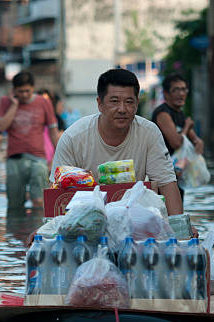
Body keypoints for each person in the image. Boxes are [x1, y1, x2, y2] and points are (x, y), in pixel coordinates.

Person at [50, 68, 184, 217]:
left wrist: (179, 225)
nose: (122, 109)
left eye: (129, 102)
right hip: (84, 221)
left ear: (137, 104)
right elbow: (57, 195)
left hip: (132, 218)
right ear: (100, 104)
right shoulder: (73, 138)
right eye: (114, 101)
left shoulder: (149, 133)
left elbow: (167, 183)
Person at [0, 71, 60, 209]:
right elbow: (1, 126)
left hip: (38, 159)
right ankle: (16, 230)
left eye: (27, 91)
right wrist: (14, 105)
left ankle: (38, 228)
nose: (24, 95)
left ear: (33, 88)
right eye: (20, 92)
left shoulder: (44, 102)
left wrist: (57, 159)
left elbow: (53, 131)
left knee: (39, 201)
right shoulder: (5, 102)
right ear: (14, 90)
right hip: (14, 159)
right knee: (14, 204)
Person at [152, 73, 204, 200]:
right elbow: (176, 142)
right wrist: (186, 128)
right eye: (176, 90)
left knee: (177, 213)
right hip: (162, 176)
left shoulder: (180, 114)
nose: (181, 94)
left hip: (177, 175)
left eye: (183, 89)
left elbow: (198, 145)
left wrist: (196, 140)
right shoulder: (163, 113)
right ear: (166, 94)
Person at [37, 89, 66, 171]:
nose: (44, 103)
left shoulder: (56, 119)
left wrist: (54, 161)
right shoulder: (32, 119)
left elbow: (59, 142)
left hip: (50, 161)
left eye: (47, 100)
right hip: (36, 160)